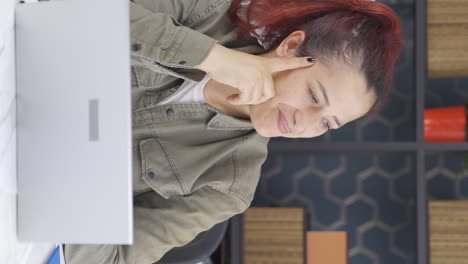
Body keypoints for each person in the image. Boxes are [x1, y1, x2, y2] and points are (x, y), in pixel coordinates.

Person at [64, 0, 403, 263]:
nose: (307, 122)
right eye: (314, 96)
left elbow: (101, 259)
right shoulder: (205, 11)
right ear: (290, 46)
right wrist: (212, 58)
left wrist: (87, 167)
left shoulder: (229, 186)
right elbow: (78, 13)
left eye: (327, 123)